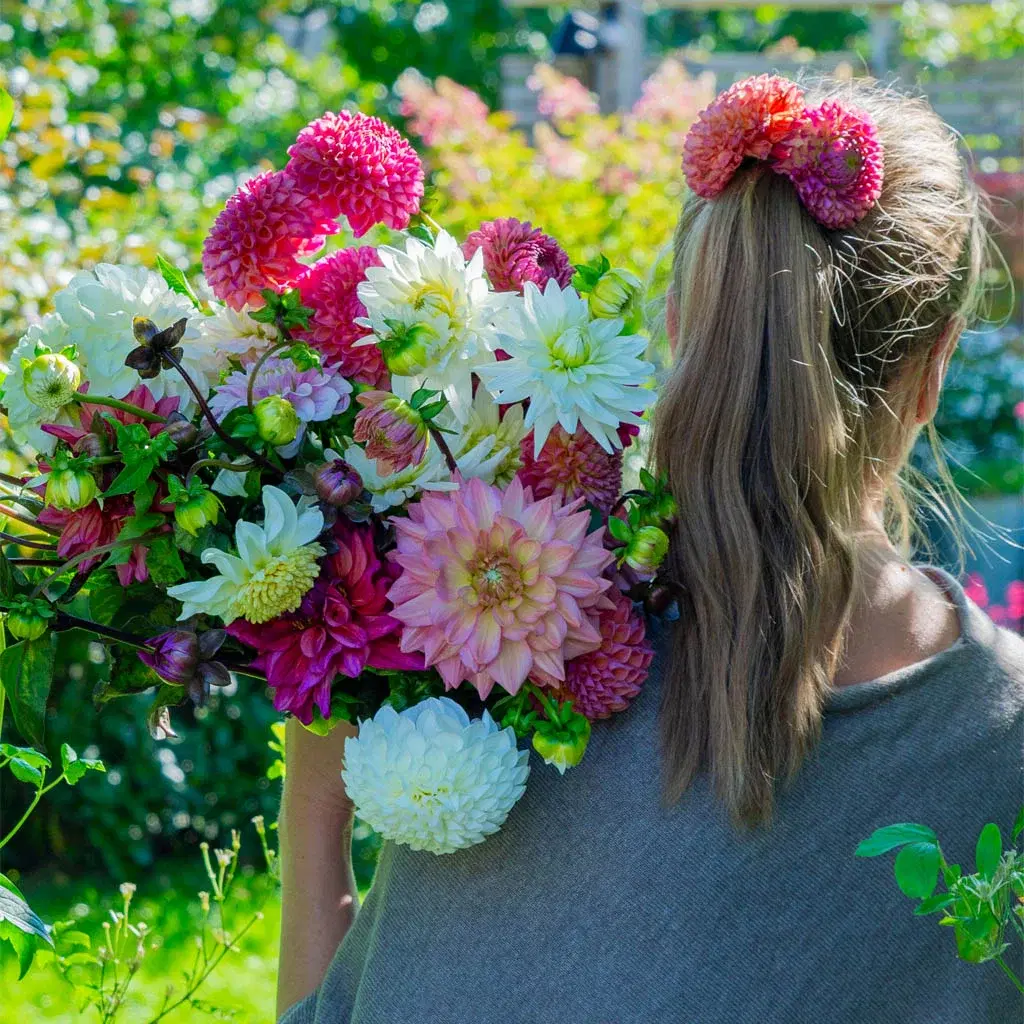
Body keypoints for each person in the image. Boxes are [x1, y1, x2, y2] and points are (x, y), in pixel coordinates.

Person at [276, 75, 1023, 1024]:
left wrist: (318, 798)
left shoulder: (505, 639)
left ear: (679, 328)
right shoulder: (1002, 746)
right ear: (935, 367)